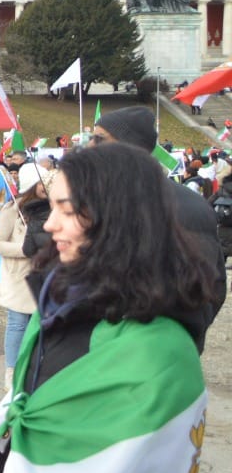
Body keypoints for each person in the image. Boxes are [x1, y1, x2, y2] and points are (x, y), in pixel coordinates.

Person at [0, 143, 217, 473]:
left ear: (113, 217)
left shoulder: (157, 353)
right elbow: (33, 429)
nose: (48, 225)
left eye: (66, 209)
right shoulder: (64, 308)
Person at [90, 105, 224, 348]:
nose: (90, 147)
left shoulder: (181, 204)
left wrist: (177, 337)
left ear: (129, 146)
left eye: (99, 139)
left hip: (153, 352)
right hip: (110, 350)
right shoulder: (105, 200)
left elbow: (209, 286)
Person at [0, 163, 46, 390]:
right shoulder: (13, 209)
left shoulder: (54, 208)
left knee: (40, 325)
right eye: (40, 182)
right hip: (20, 277)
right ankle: (11, 373)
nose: (45, 186)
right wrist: (23, 249)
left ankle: (34, 370)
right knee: (18, 323)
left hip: (44, 274)